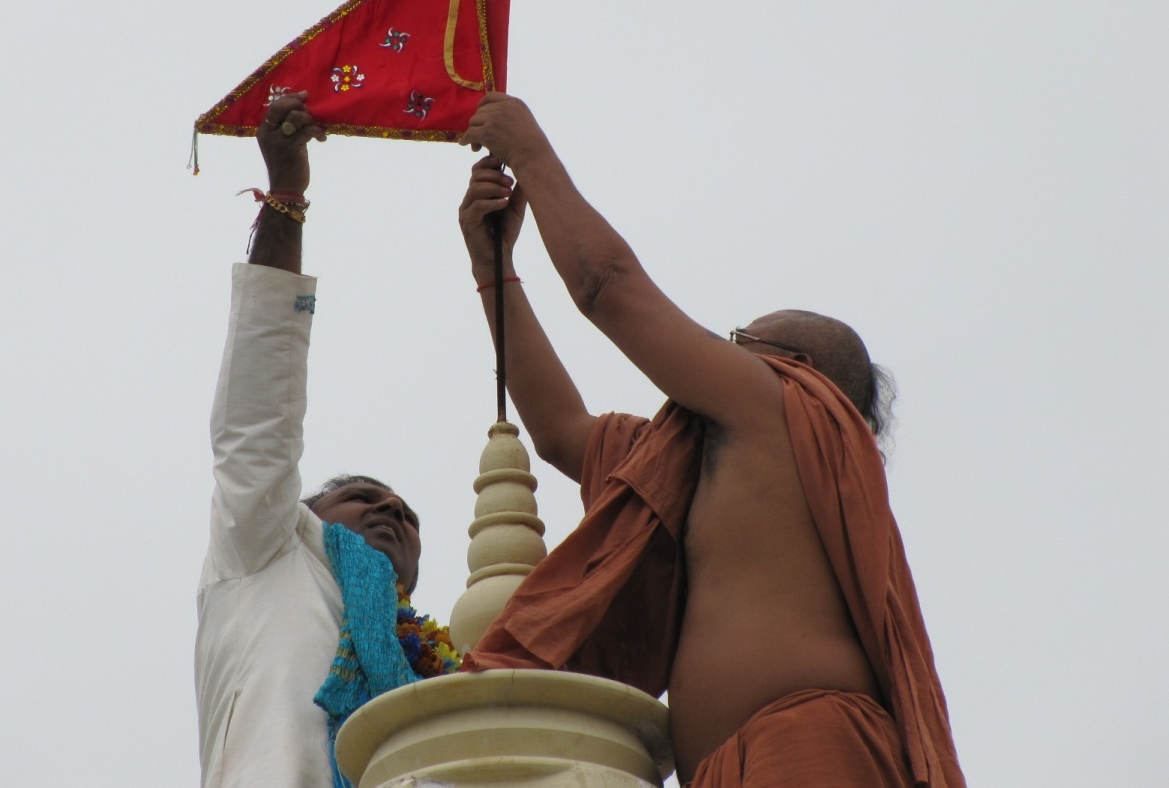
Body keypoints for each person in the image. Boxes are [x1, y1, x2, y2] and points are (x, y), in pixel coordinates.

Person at [455, 93, 964, 788]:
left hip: (811, 746)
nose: (714, 356)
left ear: (796, 369)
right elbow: (559, 433)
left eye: (737, 343)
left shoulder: (785, 405)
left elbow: (608, 286)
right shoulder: (699, 457)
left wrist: (533, 154)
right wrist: (494, 270)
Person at [195, 92, 455, 788]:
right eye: (362, 497)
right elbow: (259, 418)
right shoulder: (267, 550)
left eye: (406, 513)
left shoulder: (443, 677)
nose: (392, 513)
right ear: (303, 513)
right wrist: (285, 198)